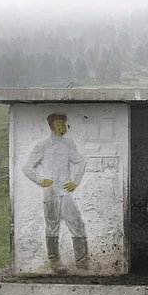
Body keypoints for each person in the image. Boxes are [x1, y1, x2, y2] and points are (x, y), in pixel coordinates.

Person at [22, 113, 88, 273]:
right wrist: (40, 180)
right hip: (50, 191)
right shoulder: (42, 145)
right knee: (52, 226)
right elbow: (27, 167)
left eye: (63, 124)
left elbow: (80, 162)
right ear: (52, 127)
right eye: (59, 125)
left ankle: (82, 263)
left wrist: (75, 181)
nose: (62, 127)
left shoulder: (69, 143)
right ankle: (55, 263)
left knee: (77, 224)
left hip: (65, 191)